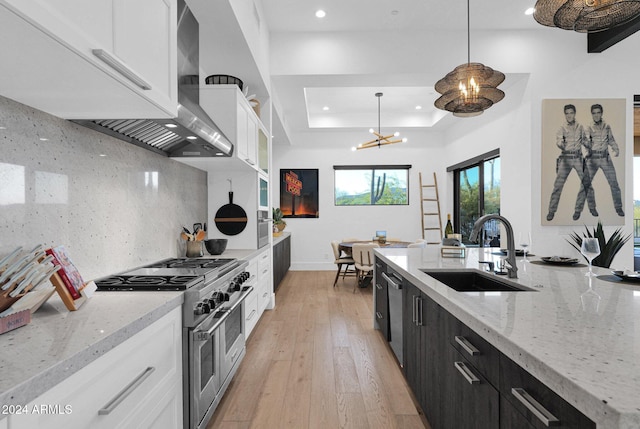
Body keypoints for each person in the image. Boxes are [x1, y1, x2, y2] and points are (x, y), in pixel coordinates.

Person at [546, 104, 595, 221]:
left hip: (578, 157)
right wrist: (562, 144)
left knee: (587, 183)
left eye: (571, 113)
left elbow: (584, 141)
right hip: (565, 158)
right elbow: (558, 141)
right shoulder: (561, 128)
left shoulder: (580, 127)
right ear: (565, 114)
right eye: (567, 113)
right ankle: (551, 211)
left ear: (574, 113)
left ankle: (589, 208)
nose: (569, 115)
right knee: (558, 186)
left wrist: (590, 143)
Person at [583, 103, 624, 217]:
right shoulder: (588, 127)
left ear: (601, 113)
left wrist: (616, 149)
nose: (596, 115)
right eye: (594, 113)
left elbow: (611, 139)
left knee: (614, 183)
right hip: (592, 158)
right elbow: (585, 141)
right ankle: (592, 208)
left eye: (598, 113)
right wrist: (588, 149)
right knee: (586, 183)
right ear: (592, 114)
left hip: (605, 157)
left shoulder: (607, 126)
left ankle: (618, 208)